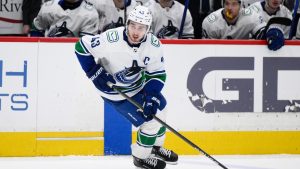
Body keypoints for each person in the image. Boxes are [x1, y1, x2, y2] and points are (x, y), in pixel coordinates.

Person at [74, 5, 178, 169]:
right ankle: (141, 157)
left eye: (141, 28)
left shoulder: (154, 45)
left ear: (148, 29)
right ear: (127, 23)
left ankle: (155, 147)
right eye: (133, 26)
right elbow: (81, 46)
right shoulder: (110, 39)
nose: (136, 32)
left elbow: (157, 73)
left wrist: (151, 95)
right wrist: (93, 72)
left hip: (138, 86)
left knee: (161, 108)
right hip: (116, 92)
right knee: (150, 122)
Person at [202, 0, 285, 51]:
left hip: (244, 56)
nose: (230, 8)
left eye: (234, 4)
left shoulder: (251, 16)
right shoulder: (210, 23)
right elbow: (208, 50)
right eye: (227, 4)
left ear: (241, 6)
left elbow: (262, 32)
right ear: (223, 5)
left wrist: (273, 32)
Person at [30, 0, 99, 37]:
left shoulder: (90, 14)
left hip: (72, 56)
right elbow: (37, 28)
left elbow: (85, 47)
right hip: (48, 52)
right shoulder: (49, 7)